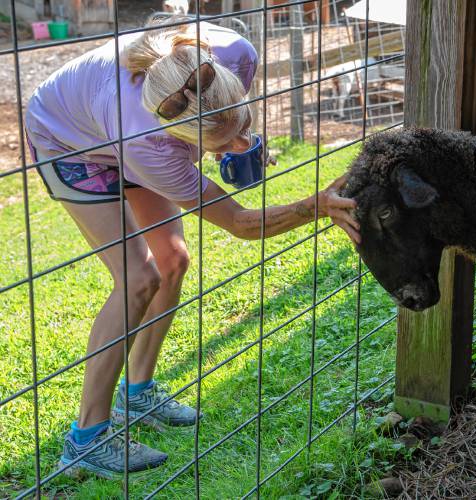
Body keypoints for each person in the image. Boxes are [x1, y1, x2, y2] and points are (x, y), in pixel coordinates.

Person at [24, 18, 359, 479]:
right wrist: (314, 206)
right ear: (182, 136)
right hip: (70, 139)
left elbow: (223, 123)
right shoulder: (149, 145)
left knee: (173, 260)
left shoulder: (237, 54)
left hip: (120, 117)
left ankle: (137, 393)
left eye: (243, 121)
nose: (242, 144)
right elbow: (240, 222)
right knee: (139, 278)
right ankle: (86, 439)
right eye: (218, 145)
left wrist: (227, 140)